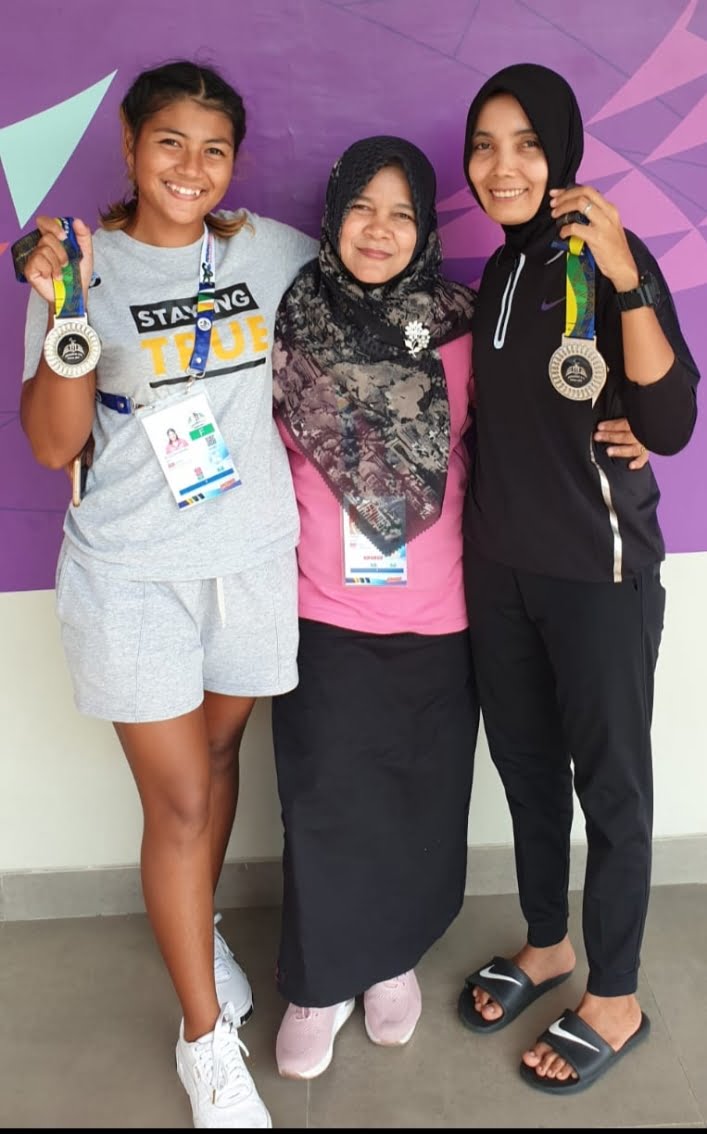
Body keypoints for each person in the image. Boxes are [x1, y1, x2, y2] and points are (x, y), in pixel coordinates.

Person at [18, 59, 317, 1128]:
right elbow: (53, 444)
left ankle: (203, 930)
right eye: (169, 143)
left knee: (221, 762)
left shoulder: (267, 251)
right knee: (181, 801)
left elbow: (380, 271)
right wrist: (62, 302)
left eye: (213, 149)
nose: (191, 168)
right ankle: (204, 1042)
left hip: (250, 559)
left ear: (234, 162)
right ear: (131, 147)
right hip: (132, 571)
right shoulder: (80, 270)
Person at [455, 62, 700, 1094]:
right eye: (483, 146)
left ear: (559, 152)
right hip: (498, 568)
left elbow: (669, 422)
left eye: (523, 144)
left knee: (610, 786)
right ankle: (547, 942)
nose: (501, 166)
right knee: (524, 770)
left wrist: (624, 271)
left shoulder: (603, 256)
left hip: (596, 572)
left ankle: (616, 992)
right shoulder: (495, 272)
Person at [270, 135, 480, 1079]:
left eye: (401, 213)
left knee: (417, 800)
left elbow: (521, 441)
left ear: (424, 228)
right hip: (321, 613)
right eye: (361, 207)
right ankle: (318, 982)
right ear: (333, 215)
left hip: (441, 614)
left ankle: (391, 958)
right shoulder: (289, 320)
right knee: (323, 803)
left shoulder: (461, 326)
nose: (379, 230)